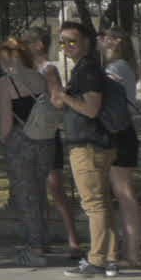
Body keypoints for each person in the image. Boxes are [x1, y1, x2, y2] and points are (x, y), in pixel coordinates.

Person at [53, 21, 120, 278]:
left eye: (72, 41)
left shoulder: (87, 71)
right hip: (95, 143)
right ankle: (110, 257)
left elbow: (91, 109)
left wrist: (65, 97)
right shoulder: (85, 68)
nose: (67, 46)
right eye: (62, 42)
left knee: (93, 204)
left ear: (86, 43)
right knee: (102, 203)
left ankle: (97, 259)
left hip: (88, 144)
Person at [19, 25, 82, 258]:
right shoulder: (27, 71)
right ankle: (41, 238)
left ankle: (73, 241)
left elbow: (57, 101)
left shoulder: (48, 69)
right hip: (30, 132)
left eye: (26, 45)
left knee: (54, 187)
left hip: (45, 133)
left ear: (39, 45)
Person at [0, 37, 54, 267]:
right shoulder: (39, 77)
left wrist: (3, 140)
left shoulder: (5, 83)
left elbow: (6, 120)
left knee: (26, 194)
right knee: (40, 191)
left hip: (21, 141)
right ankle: (43, 239)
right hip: (45, 139)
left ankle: (35, 247)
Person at [100, 29, 141, 268]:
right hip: (123, 130)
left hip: (117, 131)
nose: (100, 40)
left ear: (116, 41)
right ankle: (126, 249)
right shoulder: (124, 66)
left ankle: (132, 253)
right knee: (122, 192)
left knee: (124, 192)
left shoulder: (116, 68)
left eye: (104, 36)